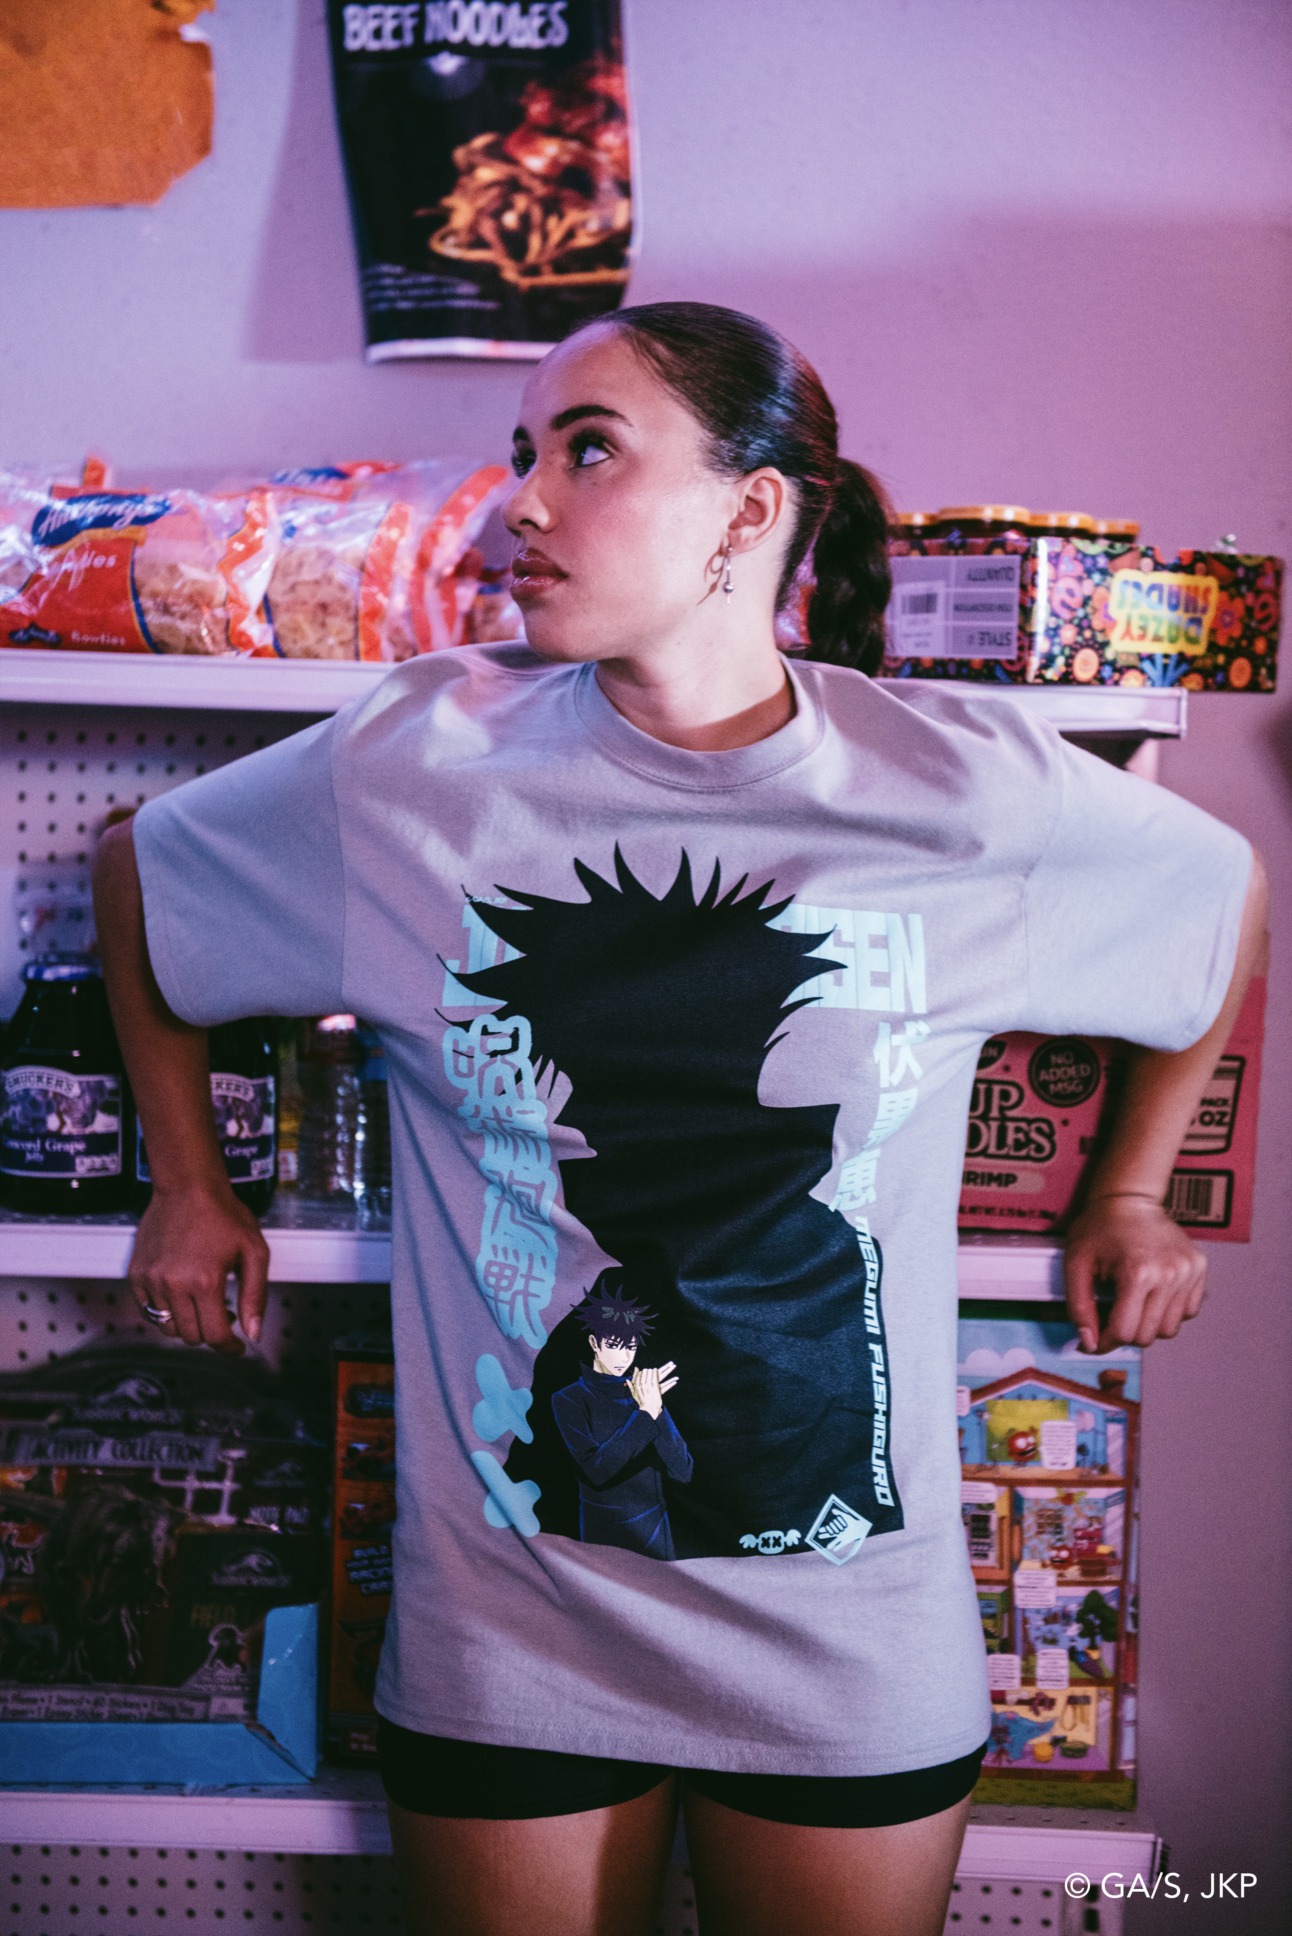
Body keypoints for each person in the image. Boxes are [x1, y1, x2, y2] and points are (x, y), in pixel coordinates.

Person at [94, 301, 1266, 1936]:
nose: (521, 501)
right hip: (512, 1621)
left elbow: (1222, 901)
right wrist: (187, 1183)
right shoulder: (417, 766)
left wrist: (1134, 1193)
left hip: (847, 1632)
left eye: (590, 452)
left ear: (750, 508)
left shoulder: (964, 790)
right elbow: (142, 874)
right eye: (524, 451)